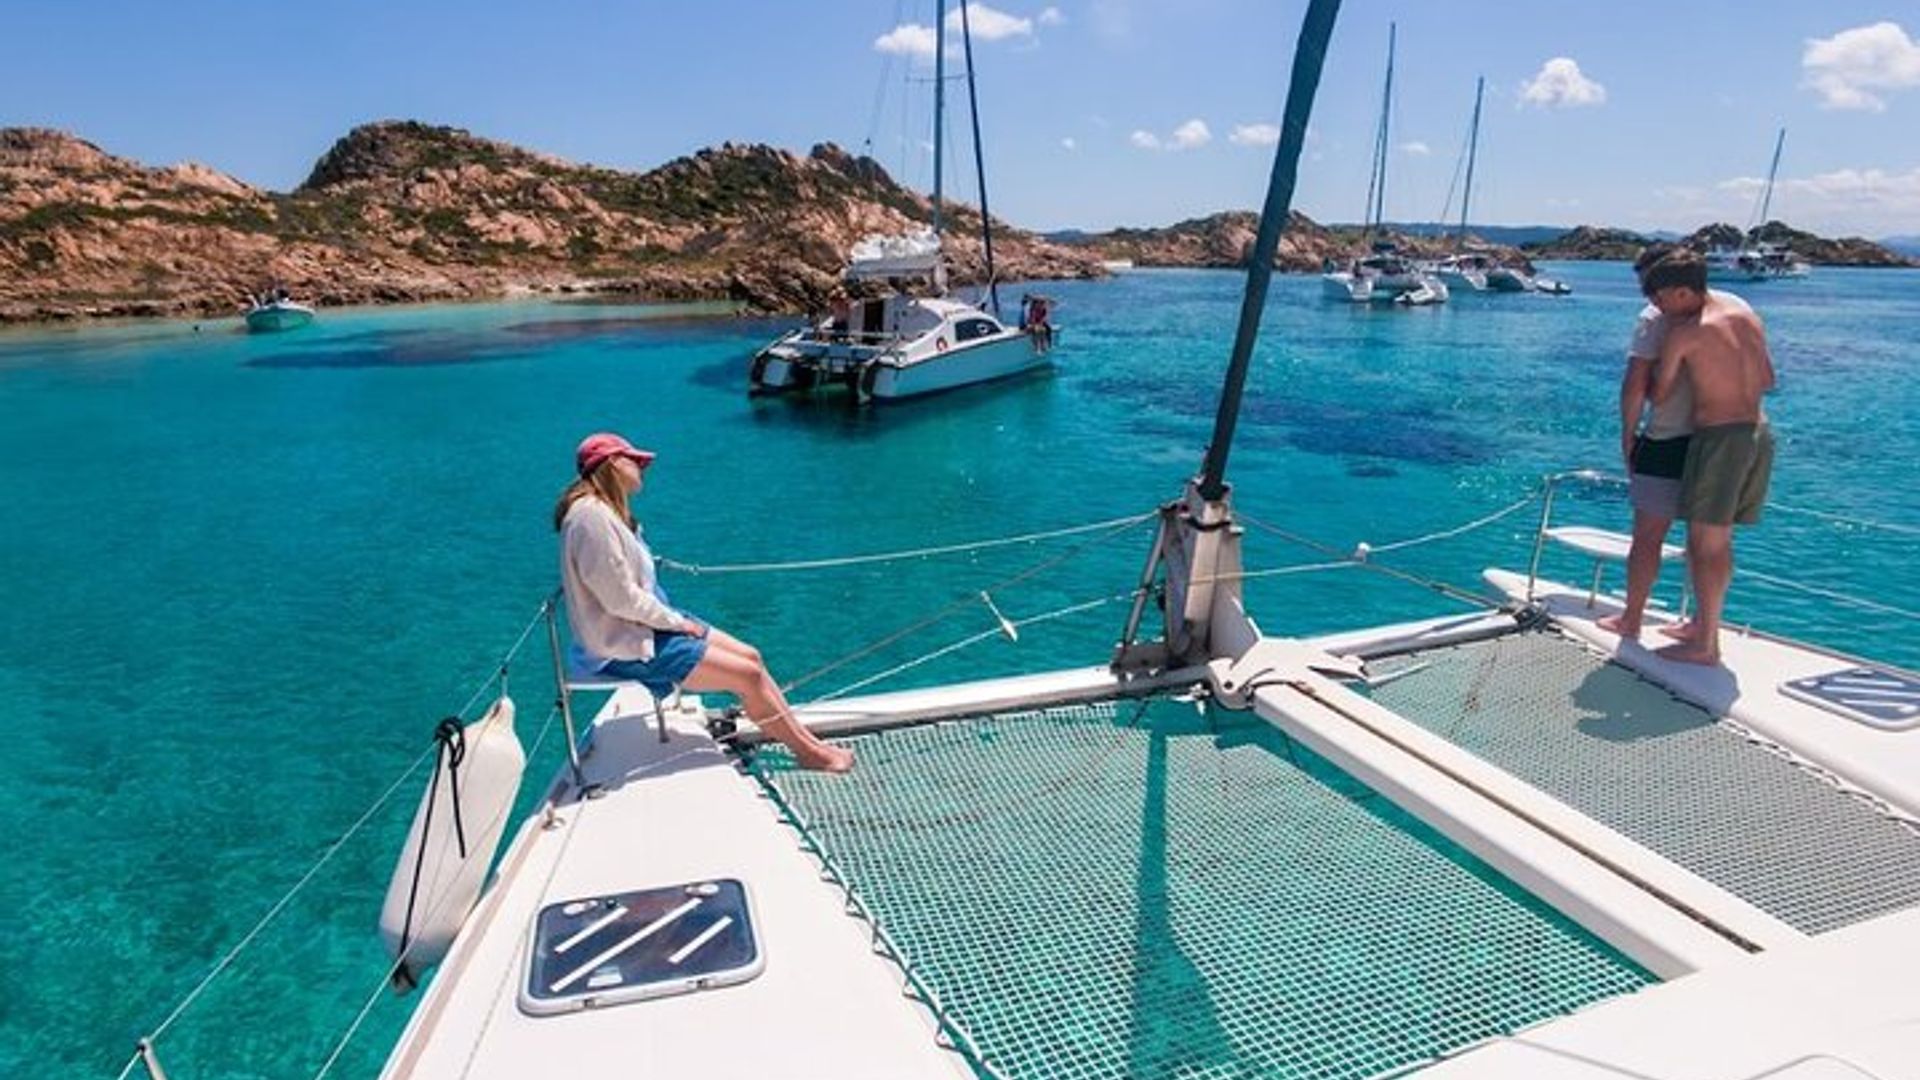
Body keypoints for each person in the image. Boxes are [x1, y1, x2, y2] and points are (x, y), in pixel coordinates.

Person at [555, 433, 854, 771]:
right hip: (624, 644)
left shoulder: (604, 512)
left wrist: (672, 621)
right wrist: (677, 624)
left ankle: (809, 742)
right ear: (612, 463)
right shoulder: (591, 518)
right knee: (747, 675)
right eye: (635, 460)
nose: (643, 467)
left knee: (752, 657)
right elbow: (620, 600)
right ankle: (808, 753)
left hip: (646, 626)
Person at [1596, 246, 1753, 640]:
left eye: (1653, 289)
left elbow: (1636, 385)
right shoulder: (1735, 307)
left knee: (1648, 536)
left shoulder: (1654, 319)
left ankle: (1632, 618)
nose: (1652, 298)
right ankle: (1704, 624)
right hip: (1722, 440)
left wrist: (1628, 436)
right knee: (1713, 543)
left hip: (1666, 439)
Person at [1645, 250, 1777, 666]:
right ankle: (1702, 625)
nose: (1658, 307)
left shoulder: (1685, 332)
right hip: (1759, 433)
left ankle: (1706, 645)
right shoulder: (1746, 317)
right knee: (1718, 539)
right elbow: (1768, 378)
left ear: (1684, 292)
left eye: (1661, 298)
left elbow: (1660, 394)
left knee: (1707, 544)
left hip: (1720, 438)